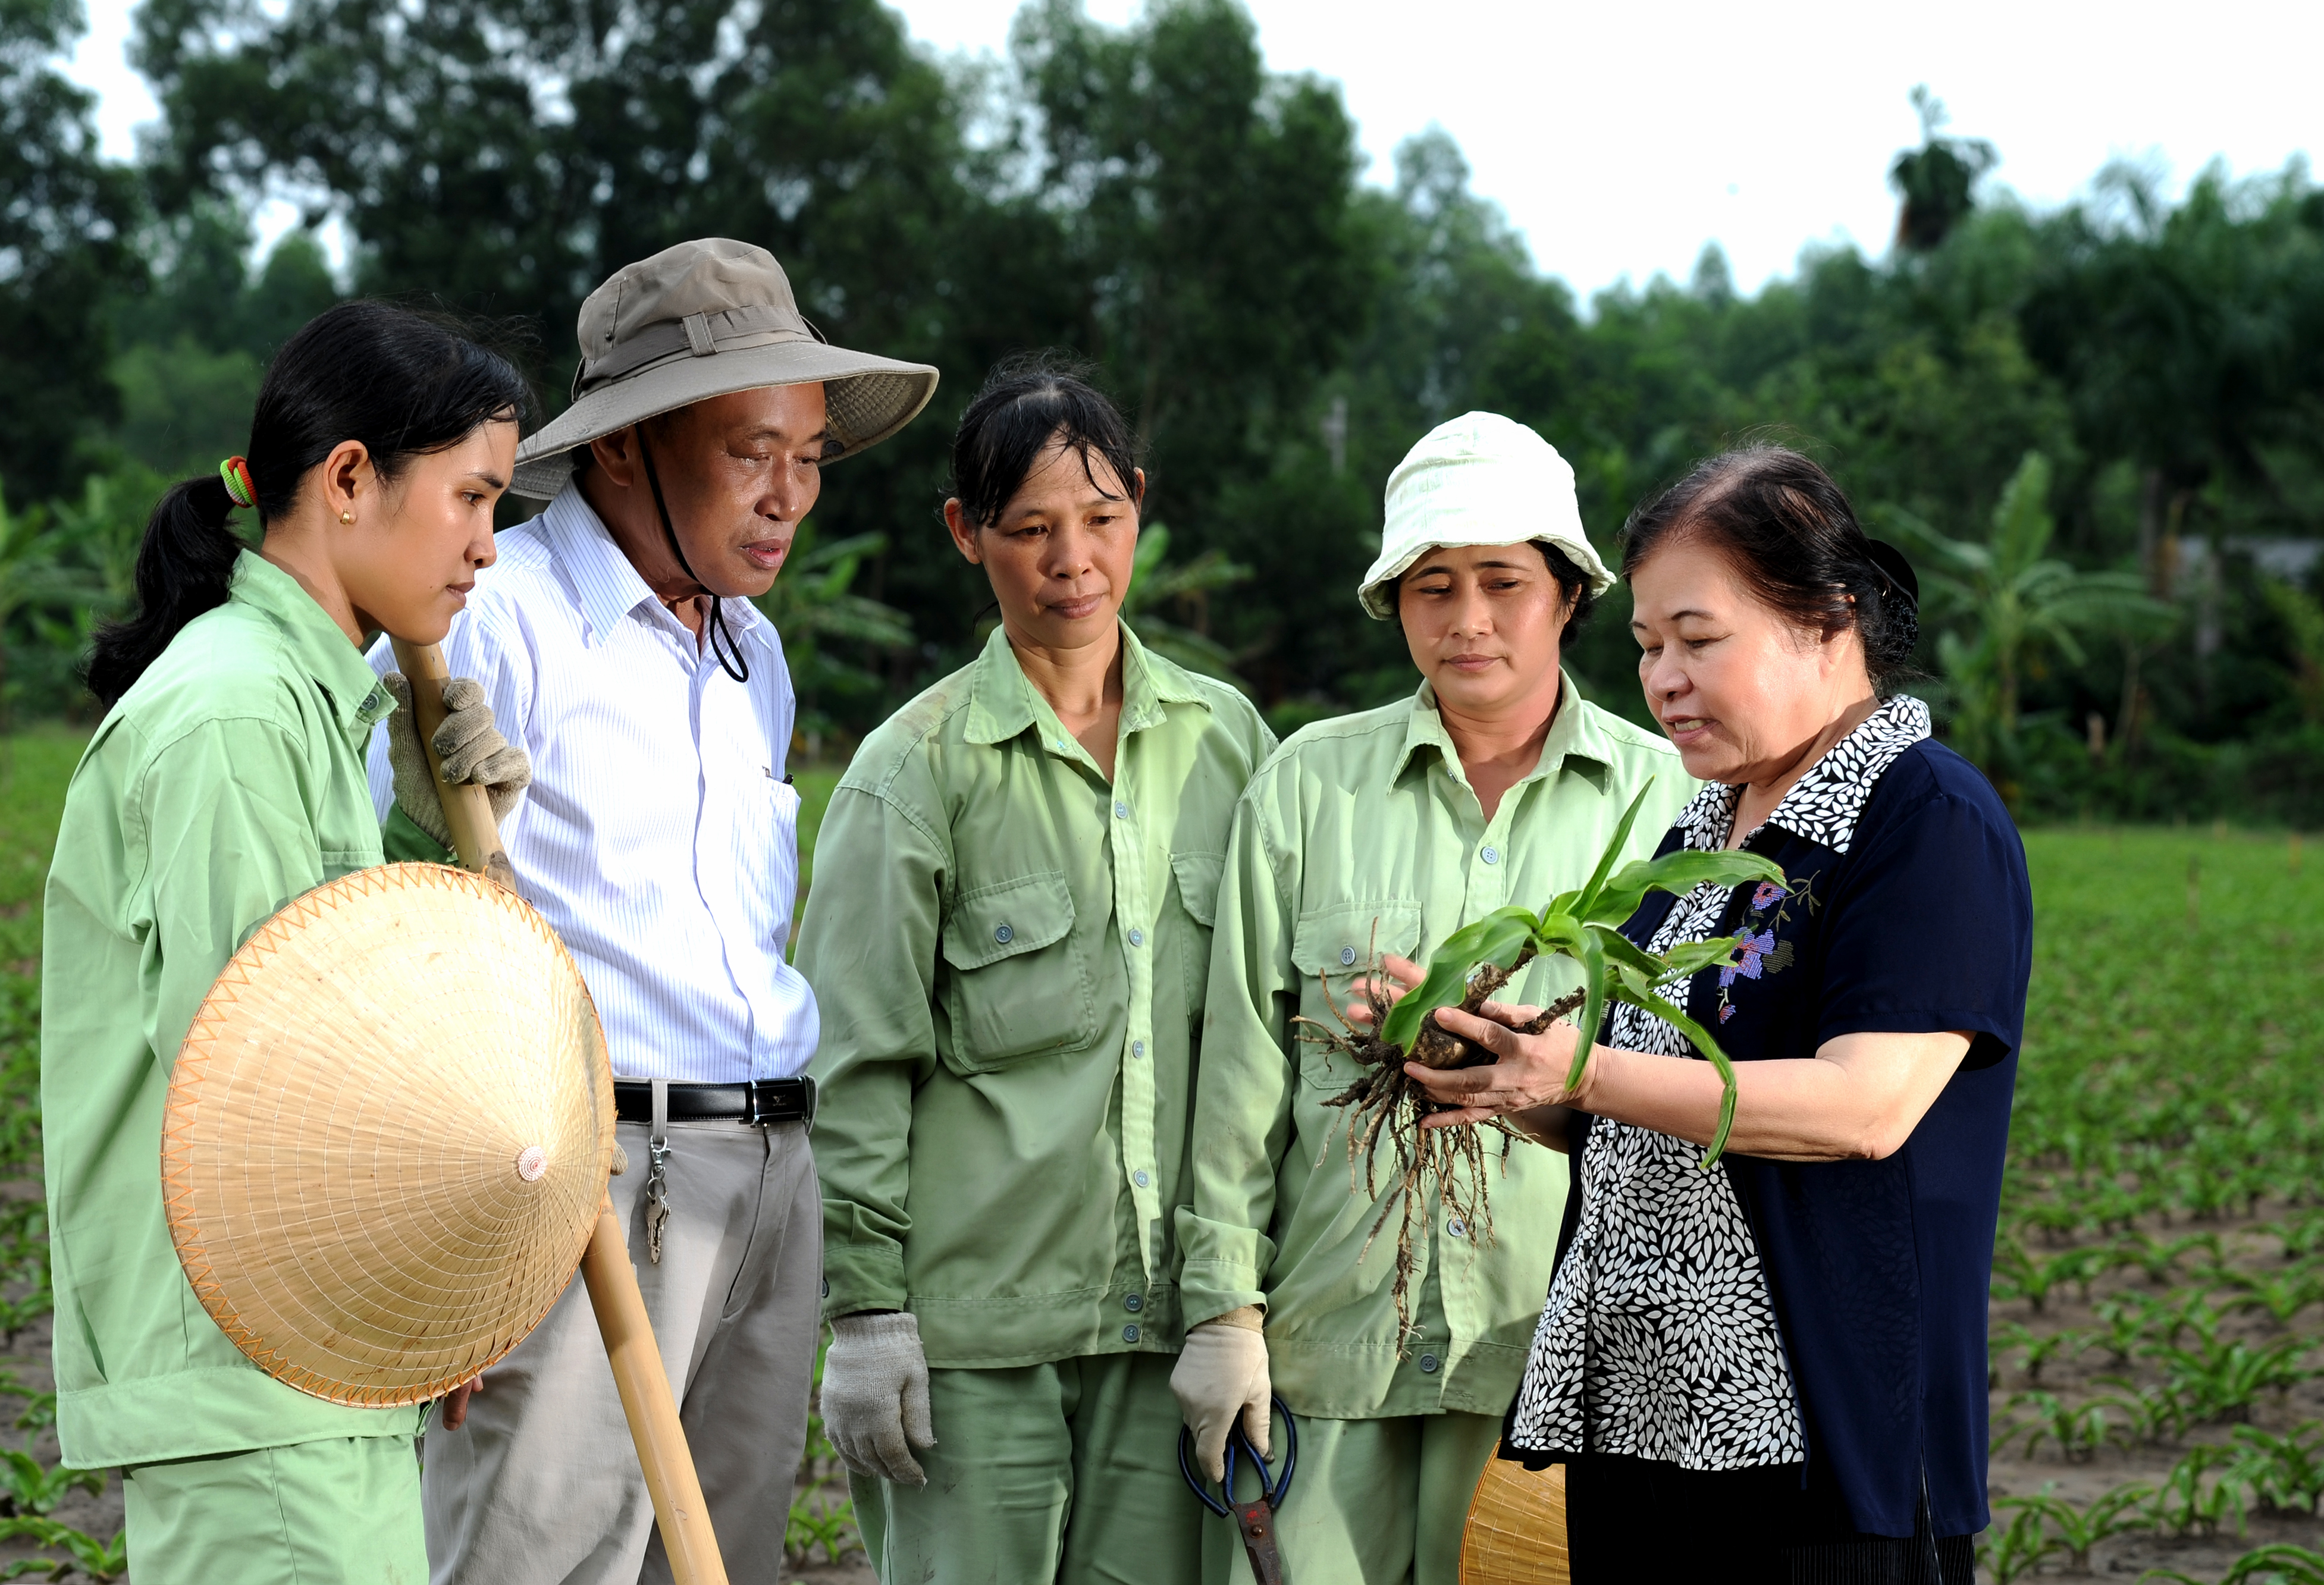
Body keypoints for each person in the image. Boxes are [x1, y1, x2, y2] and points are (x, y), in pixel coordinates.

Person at [362, 237, 938, 1585]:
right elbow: (375, 895)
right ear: (623, 450)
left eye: (807, 454)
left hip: (767, 1175)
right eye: (751, 451)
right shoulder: (489, 616)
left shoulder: (755, 654)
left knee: (715, 1561)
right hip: (590, 1187)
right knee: (543, 1560)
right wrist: (456, 1241)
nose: (790, 494)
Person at [1403, 444, 2033, 1581]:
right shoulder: (1701, 831)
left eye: (1699, 639)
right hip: (1644, 1425)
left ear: (1829, 620)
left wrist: (1585, 1076)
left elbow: (1862, 1106)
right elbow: (1639, 1101)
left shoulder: (1922, 816)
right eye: (1647, 647)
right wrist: (1504, 1070)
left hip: (1822, 1451)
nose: (1663, 679)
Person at [42, 302, 532, 1583]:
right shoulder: (236, 711)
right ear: (352, 477)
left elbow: (356, 997)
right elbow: (274, 1079)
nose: (486, 550)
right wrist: (430, 1285)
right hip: (256, 1369)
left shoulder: (307, 701)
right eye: (472, 498)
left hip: (307, 1357)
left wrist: (432, 836)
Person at [1174, 412, 1695, 1585]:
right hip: (1327, 1348)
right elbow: (1242, 1078)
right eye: (1431, 585)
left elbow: (1690, 1098)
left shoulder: (1666, 799)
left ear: (1568, 593)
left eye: (1502, 582)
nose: (1465, 618)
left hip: (1556, 1367)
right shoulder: (1309, 784)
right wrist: (1223, 1314)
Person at [798, 357, 1277, 1584]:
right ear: (968, 534)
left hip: (1168, 1327)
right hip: (972, 1337)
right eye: (1031, 529)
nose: (1074, 560)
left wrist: (1240, 1302)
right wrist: (865, 1312)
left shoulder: (1231, 744)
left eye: (1102, 519)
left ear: (1140, 511)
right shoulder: (914, 771)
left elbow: (1270, 1034)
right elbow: (855, 1060)